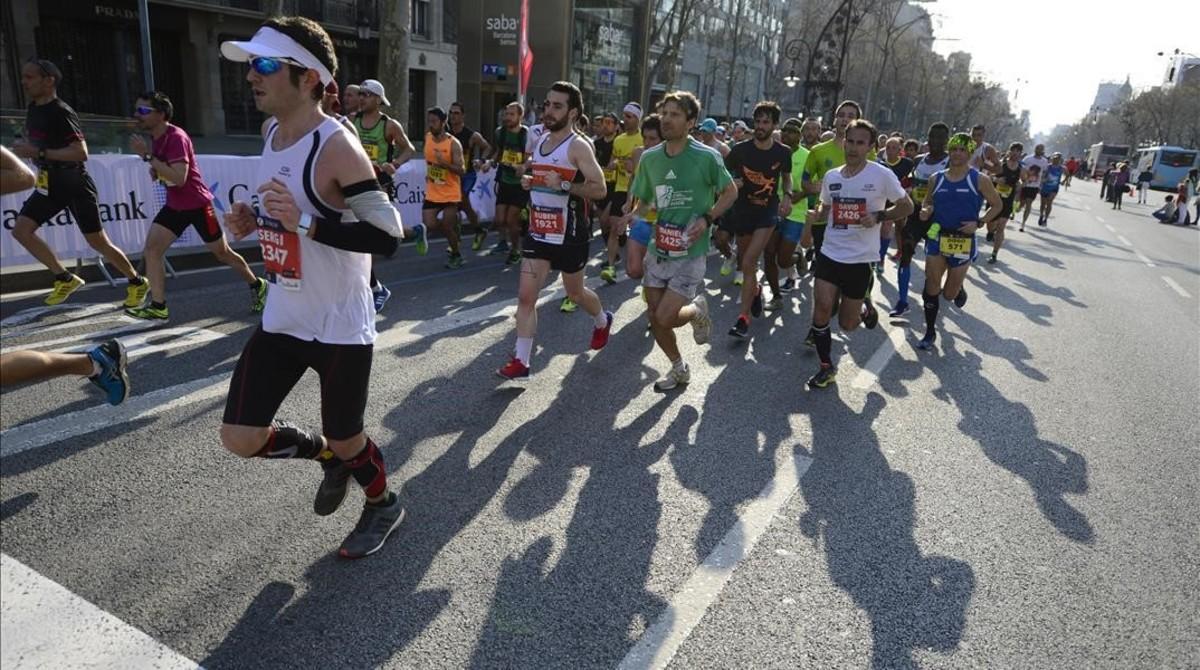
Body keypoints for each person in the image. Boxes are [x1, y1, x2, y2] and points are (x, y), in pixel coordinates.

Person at [219, 16, 407, 558]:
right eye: (252, 65)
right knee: (241, 438)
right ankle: (326, 459)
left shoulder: (337, 147)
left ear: (310, 80)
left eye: (267, 65)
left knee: (351, 436)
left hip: (339, 323)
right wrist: (253, 220)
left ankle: (383, 504)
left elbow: (387, 237)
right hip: (285, 313)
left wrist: (304, 224)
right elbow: (280, 210)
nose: (253, 76)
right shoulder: (271, 133)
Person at [496, 81, 614, 381]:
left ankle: (602, 320)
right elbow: (540, 174)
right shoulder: (539, 140)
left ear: (573, 112)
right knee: (525, 297)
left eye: (557, 106)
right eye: (547, 104)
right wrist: (530, 181)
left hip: (570, 233)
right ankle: (522, 361)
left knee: (574, 293)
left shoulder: (578, 145)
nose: (548, 111)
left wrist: (562, 185)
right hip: (538, 231)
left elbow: (599, 188)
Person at [11, 58, 148, 307]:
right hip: (49, 181)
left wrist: (38, 154)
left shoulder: (62, 112)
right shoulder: (33, 108)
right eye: (23, 76)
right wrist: (25, 149)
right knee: (21, 230)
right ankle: (64, 277)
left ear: (49, 80)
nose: (24, 82)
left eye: (29, 77)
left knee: (97, 241)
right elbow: (39, 143)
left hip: (72, 181)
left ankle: (137, 281)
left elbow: (80, 152)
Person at [123, 92, 266, 321]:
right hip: (176, 206)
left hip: (198, 205)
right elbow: (169, 174)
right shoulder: (157, 138)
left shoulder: (176, 136)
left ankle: (258, 284)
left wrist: (148, 157)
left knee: (222, 253)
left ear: (160, 114)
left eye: (143, 111)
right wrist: (157, 170)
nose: (136, 115)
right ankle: (158, 305)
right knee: (152, 250)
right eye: (136, 110)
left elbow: (180, 178)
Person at [629, 91, 737, 390]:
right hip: (659, 249)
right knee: (654, 315)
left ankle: (697, 309)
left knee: (665, 317)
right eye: (664, 113)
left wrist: (707, 219)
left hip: (691, 253)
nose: (666, 119)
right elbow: (646, 202)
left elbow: (730, 192)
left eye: (675, 114)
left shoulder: (706, 156)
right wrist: (632, 218)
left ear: (691, 122)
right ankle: (679, 368)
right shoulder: (650, 158)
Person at [803, 118, 913, 388]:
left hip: (860, 259)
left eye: (860, 143)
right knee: (821, 312)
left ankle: (863, 308)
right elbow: (824, 207)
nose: (852, 148)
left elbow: (907, 205)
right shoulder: (832, 177)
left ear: (871, 146)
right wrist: (815, 215)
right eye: (849, 141)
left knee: (847, 324)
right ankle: (826, 367)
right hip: (830, 252)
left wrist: (879, 215)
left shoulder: (880, 174)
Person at [915, 132, 1004, 351]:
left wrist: (980, 222)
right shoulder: (937, 178)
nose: (956, 153)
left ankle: (959, 288)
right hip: (937, 234)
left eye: (962, 150)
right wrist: (926, 211)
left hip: (963, 238)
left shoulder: (979, 179)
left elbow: (997, 204)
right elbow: (928, 202)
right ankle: (929, 331)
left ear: (970, 152)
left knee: (949, 294)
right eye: (953, 149)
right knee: (931, 284)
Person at [723, 101, 792, 338]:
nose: (761, 126)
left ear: (774, 125)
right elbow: (723, 172)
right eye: (758, 121)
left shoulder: (783, 152)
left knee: (751, 260)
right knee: (746, 262)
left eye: (766, 122)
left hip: (767, 212)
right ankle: (756, 290)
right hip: (743, 211)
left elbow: (786, 177)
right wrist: (733, 180)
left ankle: (743, 319)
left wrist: (788, 196)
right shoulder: (740, 149)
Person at [353, 78, 423, 309]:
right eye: (360, 94)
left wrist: (394, 163)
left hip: (379, 183)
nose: (361, 98)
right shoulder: (353, 121)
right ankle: (369, 285)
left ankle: (373, 286)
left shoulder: (388, 124)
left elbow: (409, 149)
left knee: (376, 231)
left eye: (366, 94)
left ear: (377, 99)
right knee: (362, 232)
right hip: (354, 181)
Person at [801, 100, 872, 283]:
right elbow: (805, 182)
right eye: (841, 115)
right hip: (824, 218)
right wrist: (814, 187)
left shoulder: (868, 151)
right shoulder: (818, 150)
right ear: (834, 119)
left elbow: (876, 182)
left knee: (852, 277)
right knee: (827, 277)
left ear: (858, 121)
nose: (845, 120)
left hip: (856, 220)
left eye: (850, 116)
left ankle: (861, 300)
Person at [889, 122, 948, 317]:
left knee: (935, 262)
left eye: (940, 138)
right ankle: (902, 301)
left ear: (946, 141)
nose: (935, 141)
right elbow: (906, 181)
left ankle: (952, 284)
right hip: (915, 217)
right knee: (905, 251)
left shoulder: (950, 163)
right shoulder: (918, 160)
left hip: (937, 221)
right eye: (932, 136)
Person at [763, 117, 810, 307]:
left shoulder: (808, 156)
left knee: (783, 261)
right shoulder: (773, 152)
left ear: (799, 135)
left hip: (795, 212)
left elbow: (814, 184)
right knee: (768, 254)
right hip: (772, 210)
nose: (786, 134)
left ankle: (798, 256)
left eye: (791, 131)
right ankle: (776, 296)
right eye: (784, 130)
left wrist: (798, 195)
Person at [600, 102, 645, 284]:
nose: (625, 119)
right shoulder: (619, 140)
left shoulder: (645, 139)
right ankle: (611, 266)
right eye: (624, 115)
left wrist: (634, 166)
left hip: (640, 190)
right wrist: (613, 164)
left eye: (629, 116)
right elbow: (614, 160)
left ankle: (641, 265)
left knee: (638, 231)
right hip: (620, 187)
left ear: (638, 119)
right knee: (613, 226)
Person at [480, 101, 529, 265]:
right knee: (500, 219)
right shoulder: (500, 132)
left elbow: (532, 156)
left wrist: (524, 166)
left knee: (510, 219)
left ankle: (516, 250)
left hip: (519, 183)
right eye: (506, 114)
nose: (507, 117)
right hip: (504, 179)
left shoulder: (526, 134)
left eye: (511, 114)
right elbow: (498, 152)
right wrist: (489, 163)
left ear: (520, 116)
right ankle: (507, 243)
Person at [616, 113, 663, 282]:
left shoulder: (672, 160)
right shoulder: (638, 154)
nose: (648, 143)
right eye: (645, 138)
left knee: (658, 273)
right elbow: (634, 180)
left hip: (662, 222)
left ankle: (653, 286)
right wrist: (629, 201)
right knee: (633, 270)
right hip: (641, 216)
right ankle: (651, 281)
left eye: (653, 139)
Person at [422, 107, 467, 269]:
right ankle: (455, 230)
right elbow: (429, 160)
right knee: (430, 225)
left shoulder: (453, 144)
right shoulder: (427, 138)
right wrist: (431, 172)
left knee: (447, 227)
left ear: (443, 122)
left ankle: (456, 254)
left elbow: (462, 170)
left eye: (434, 122)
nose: (431, 125)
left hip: (450, 193)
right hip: (433, 191)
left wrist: (445, 164)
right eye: (429, 122)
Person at [447, 102, 491, 250]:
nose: (453, 116)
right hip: (451, 174)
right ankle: (478, 231)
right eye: (451, 113)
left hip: (467, 175)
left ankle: (458, 236)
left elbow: (487, 147)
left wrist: (481, 160)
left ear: (463, 116)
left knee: (460, 200)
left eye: (456, 113)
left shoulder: (472, 135)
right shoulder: (445, 133)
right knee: (458, 206)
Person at [877, 136, 914, 274]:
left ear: (900, 150)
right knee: (883, 229)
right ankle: (879, 258)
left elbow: (911, 181)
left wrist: (909, 189)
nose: (891, 151)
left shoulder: (907, 164)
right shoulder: (880, 164)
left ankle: (897, 252)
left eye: (894, 148)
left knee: (897, 228)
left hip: (899, 200)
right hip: (883, 200)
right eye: (888, 148)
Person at [592, 112, 619, 287]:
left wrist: (616, 163)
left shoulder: (620, 141)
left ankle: (616, 246)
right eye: (604, 122)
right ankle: (614, 251)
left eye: (610, 123)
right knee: (603, 225)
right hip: (601, 187)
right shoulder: (596, 143)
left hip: (616, 188)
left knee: (605, 220)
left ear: (616, 126)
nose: (606, 125)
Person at [985, 142, 1023, 264]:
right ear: (1009, 151)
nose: (1015, 153)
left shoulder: (1020, 169)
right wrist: (997, 179)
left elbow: (1024, 181)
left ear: (1020, 154)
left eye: (1018, 151)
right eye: (1014, 150)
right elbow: (987, 177)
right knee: (991, 223)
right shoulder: (1000, 164)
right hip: (994, 198)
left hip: (1007, 201)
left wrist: (1020, 186)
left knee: (1001, 227)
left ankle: (994, 254)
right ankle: (990, 232)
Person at [1038, 153, 1066, 224]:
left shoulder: (1062, 168)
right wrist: (1042, 180)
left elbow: (1068, 174)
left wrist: (1064, 181)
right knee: (1043, 204)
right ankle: (1041, 215)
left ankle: (1046, 218)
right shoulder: (1047, 167)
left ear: (1060, 160)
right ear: (1052, 159)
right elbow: (1041, 175)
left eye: (1057, 159)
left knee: (1049, 202)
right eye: (1054, 159)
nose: (1055, 161)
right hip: (1045, 187)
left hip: (1054, 188)